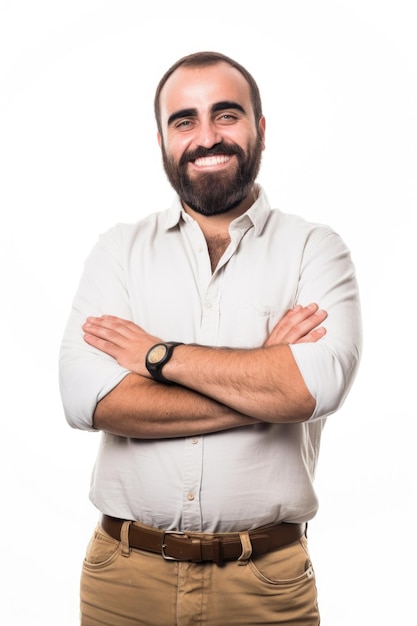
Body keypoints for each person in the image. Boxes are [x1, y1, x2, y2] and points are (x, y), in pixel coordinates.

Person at [59, 51, 362, 626]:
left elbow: (311, 389)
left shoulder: (315, 250)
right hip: (124, 578)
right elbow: (86, 399)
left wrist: (157, 356)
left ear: (260, 129)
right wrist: (263, 375)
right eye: (185, 121)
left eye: (226, 115)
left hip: (266, 583)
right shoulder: (118, 251)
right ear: (163, 141)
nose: (206, 137)